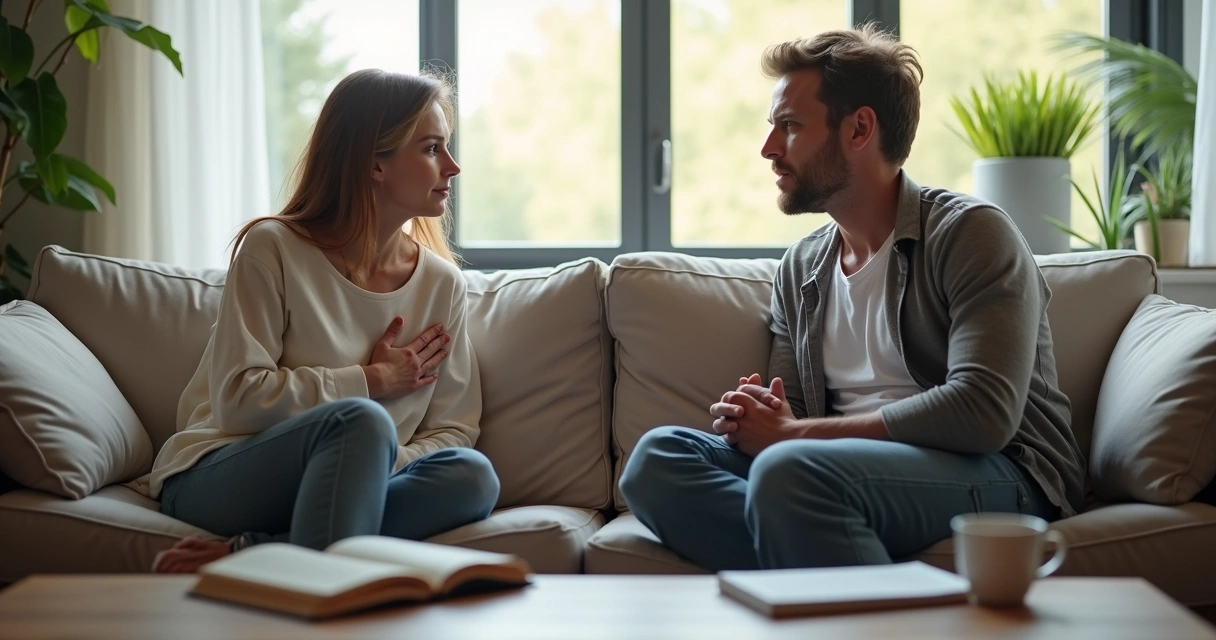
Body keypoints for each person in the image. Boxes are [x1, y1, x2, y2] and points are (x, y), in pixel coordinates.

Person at [619, 25, 1086, 571]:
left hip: (1001, 468)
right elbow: (792, 416)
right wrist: (763, 418)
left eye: (790, 126)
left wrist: (794, 435)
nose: (769, 149)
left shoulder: (970, 233)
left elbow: (983, 413)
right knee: (658, 460)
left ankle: (816, 548)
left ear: (860, 128)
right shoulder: (801, 267)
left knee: (790, 474)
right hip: (832, 471)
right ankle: (825, 540)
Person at [145, 69, 499, 573]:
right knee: (361, 420)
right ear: (375, 164)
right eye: (431, 148)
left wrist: (367, 464)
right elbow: (238, 400)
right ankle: (320, 560)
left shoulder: (442, 284)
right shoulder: (273, 248)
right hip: (223, 471)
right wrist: (371, 381)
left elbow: (454, 429)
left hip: (348, 485)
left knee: (472, 476)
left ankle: (261, 552)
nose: (453, 166)